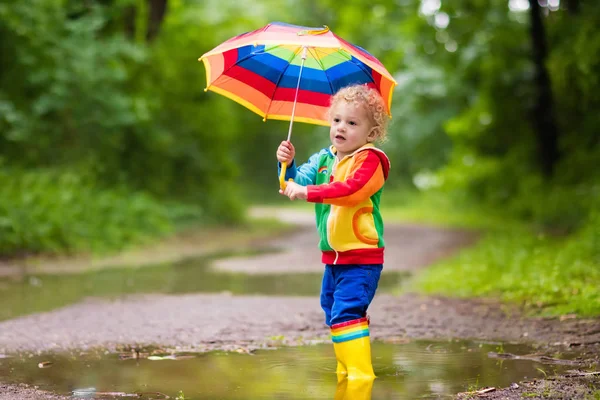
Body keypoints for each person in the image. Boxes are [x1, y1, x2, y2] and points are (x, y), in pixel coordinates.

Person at [276, 84, 390, 381]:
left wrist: (308, 192)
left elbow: (350, 191)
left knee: (347, 312)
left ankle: (361, 376)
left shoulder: (371, 160)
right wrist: (286, 163)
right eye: (337, 120)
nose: (341, 128)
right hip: (334, 258)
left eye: (352, 123)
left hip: (362, 257)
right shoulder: (324, 159)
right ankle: (346, 371)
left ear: (371, 133)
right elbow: (291, 183)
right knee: (332, 310)